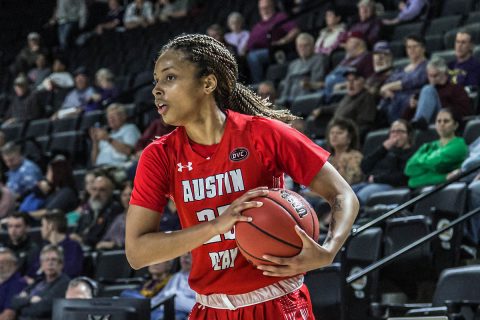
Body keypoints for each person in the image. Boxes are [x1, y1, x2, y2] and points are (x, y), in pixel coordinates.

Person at [126, 34, 359, 319]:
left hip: (276, 302)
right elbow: (137, 252)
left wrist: (330, 248)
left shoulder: (263, 134)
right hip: (209, 308)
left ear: (208, 83)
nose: (157, 90)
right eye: (156, 80)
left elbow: (342, 194)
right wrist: (217, 225)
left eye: (170, 77)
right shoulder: (159, 155)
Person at [353, 120, 414, 205]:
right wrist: (383, 148)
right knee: (340, 195)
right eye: (393, 131)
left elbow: (402, 177)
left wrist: (376, 179)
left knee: (355, 200)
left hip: (390, 186)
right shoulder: (384, 151)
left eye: (400, 131)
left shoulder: (411, 154)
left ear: (408, 135)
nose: (395, 134)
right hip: (369, 184)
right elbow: (364, 166)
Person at [404, 108, 468, 188]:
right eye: (438, 121)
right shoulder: (427, 146)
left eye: (446, 121)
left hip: (450, 189)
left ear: (455, 125)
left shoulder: (459, 145)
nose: (442, 124)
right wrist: (444, 177)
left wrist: (420, 162)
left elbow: (438, 165)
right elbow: (409, 170)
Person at [307, 68, 377, 139]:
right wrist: (322, 109)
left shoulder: (366, 98)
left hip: (347, 138)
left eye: (355, 80)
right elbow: (339, 107)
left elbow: (365, 125)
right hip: (335, 134)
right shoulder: (348, 96)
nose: (350, 83)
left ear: (363, 82)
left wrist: (349, 137)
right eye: (348, 80)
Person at [406, 57, 472, 126]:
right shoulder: (423, 92)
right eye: (430, 76)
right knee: (427, 89)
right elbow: (404, 119)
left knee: (428, 90)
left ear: (445, 74)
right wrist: (412, 107)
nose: (432, 79)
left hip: (445, 122)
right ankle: (420, 123)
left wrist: (438, 104)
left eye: (435, 75)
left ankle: (420, 122)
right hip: (427, 125)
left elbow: (465, 113)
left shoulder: (456, 89)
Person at [246, 0, 300, 83]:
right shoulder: (258, 24)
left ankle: (259, 84)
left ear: (273, 6)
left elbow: (295, 30)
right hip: (253, 51)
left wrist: (283, 41)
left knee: (253, 57)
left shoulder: (279, 17)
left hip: (273, 50)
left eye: (267, 7)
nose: (264, 10)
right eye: (262, 8)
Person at [11, 245, 70, 320]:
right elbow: (14, 302)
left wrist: (23, 303)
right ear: (42, 264)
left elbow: (42, 309)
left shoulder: (64, 282)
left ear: (61, 264)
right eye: (46, 260)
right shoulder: (38, 281)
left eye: (54, 260)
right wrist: (30, 300)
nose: (50, 263)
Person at [378, 35, 428, 124]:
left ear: (423, 48)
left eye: (415, 46)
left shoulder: (426, 66)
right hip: (391, 104)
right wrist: (385, 89)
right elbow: (388, 82)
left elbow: (414, 81)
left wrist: (388, 87)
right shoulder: (400, 69)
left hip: (410, 104)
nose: (411, 50)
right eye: (409, 47)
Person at [71, 174, 123, 247]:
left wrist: (82, 240)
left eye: (102, 190)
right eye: (94, 189)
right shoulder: (88, 210)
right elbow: (77, 230)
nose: (96, 194)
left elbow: (105, 236)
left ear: (110, 192)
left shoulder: (114, 210)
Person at [20, 154, 78, 219]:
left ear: (57, 173)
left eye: (48, 172)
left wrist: (23, 215)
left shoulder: (67, 192)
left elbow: (48, 212)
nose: (46, 175)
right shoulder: (53, 191)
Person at [276, 33, 326, 108]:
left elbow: (316, 82)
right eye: (300, 46)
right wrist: (282, 100)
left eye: (306, 45)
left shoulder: (318, 60)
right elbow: (287, 85)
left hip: (305, 98)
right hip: (289, 99)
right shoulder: (293, 64)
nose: (303, 48)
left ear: (313, 46)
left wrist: (308, 84)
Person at [36, 210, 84, 278]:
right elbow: (35, 271)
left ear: (51, 226)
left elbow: (72, 271)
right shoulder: (44, 247)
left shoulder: (73, 246)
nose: (41, 229)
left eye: (42, 225)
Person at [150, 252, 195, 320]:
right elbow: (159, 298)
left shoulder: (206, 280)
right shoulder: (176, 276)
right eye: (183, 251)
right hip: (161, 311)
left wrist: (175, 301)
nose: (185, 255)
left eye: (190, 252)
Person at [324, 118, 364, 185]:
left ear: (349, 138)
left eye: (339, 133)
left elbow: (352, 181)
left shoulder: (355, 156)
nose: (334, 136)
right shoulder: (328, 159)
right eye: (332, 133)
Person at [96, 181, 133, 250]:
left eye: (130, 194)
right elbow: (105, 240)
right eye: (124, 195)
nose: (127, 198)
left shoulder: (144, 217)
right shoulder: (119, 218)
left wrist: (114, 244)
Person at [0, 247, 27, 320]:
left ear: (14, 265)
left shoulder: (17, 283)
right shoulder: (2, 280)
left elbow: (8, 316)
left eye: (4, 263)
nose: (0, 266)